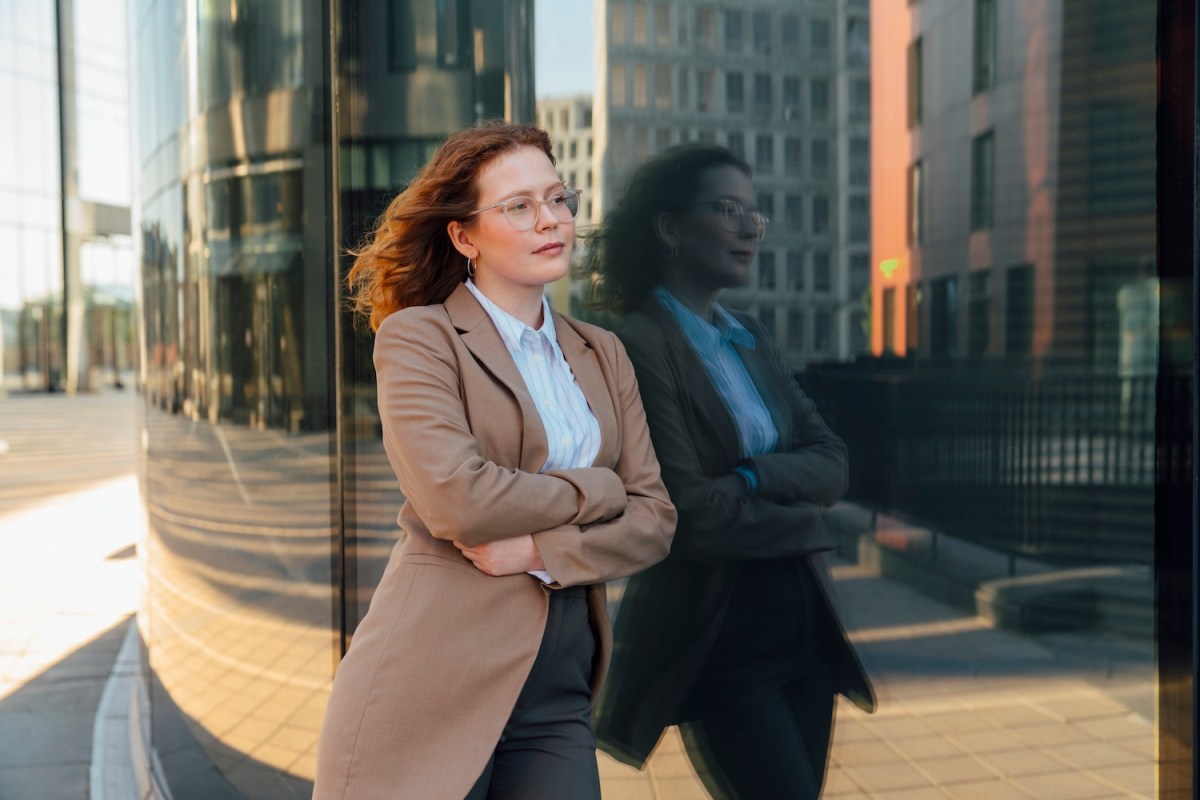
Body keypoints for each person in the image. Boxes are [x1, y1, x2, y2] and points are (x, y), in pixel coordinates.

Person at [312, 122, 676, 800]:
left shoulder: (603, 352)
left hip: (558, 687)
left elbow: (655, 518)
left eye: (557, 199)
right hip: (431, 675)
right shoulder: (420, 338)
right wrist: (595, 491)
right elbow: (459, 500)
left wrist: (539, 550)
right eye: (518, 206)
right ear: (464, 235)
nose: (551, 220)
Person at [586, 143, 876, 799]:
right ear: (670, 228)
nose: (750, 229)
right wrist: (801, 512)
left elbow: (833, 466)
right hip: (720, 638)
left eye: (755, 215)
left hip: (806, 629)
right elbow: (690, 516)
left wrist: (752, 479)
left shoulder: (751, 336)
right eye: (727, 210)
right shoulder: (639, 344)